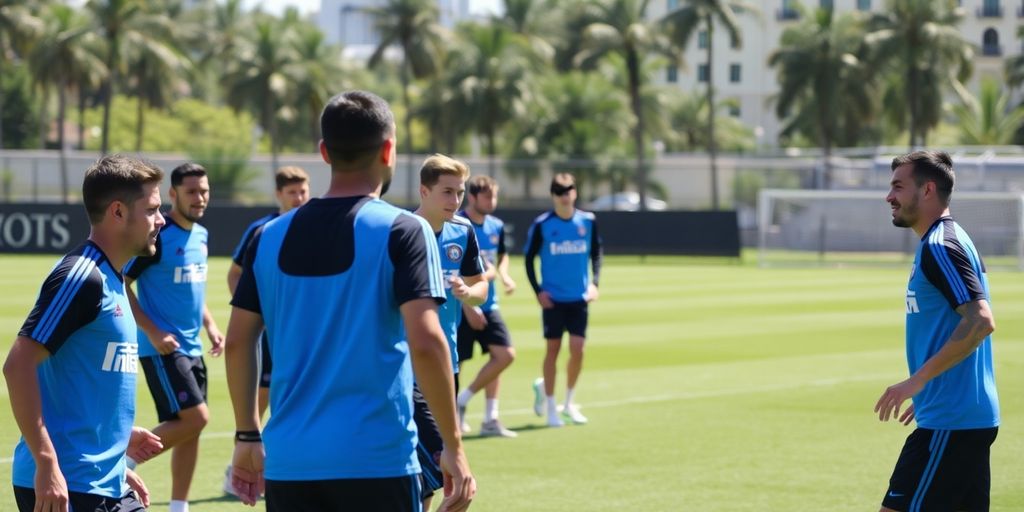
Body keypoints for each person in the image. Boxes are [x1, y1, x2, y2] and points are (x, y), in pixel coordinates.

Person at [224, 90, 475, 511]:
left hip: (289, 464)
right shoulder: (404, 229)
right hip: (376, 463)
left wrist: (247, 434)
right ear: (389, 149)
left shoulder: (268, 236)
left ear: (324, 152)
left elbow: (237, 342)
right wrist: (453, 446)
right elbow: (428, 344)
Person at [4, 155, 165, 512]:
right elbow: (18, 365)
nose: (161, 220)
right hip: (64, 486)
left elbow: (86, 378)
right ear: (118, 212)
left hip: (102, 480)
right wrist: (47, 463)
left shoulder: (113, 276)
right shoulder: (82, 277)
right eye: (152, 209)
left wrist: (116, 444)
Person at [875, 150, 999, 512]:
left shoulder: (940, 246)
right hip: (958, 418)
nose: (889, 197)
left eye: (898, 186)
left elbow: (980, 320)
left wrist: (918, 380)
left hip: (950, 423)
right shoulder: (950, 239)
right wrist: (931, 385)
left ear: (927, 190)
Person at [123, 163, 225, 512]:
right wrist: (153, 330)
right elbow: (122, 281)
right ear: (173, 194)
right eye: (192, 191)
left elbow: (194, 291)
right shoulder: (160, 237)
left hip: (192, 347)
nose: (200, 198)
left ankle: (178, 506)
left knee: (189, 429)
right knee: (196, 418)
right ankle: (123, 463)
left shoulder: (201, 235)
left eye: (204, 191)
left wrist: (210, 325)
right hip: (163, 348)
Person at [222, 166, 310, 497]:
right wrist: (251, 314)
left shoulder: (313, 228)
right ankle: (239, 464)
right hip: (266, 332)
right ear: (278, 195)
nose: (299, 198)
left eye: (303, 191)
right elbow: (236, 274)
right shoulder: (262, 230)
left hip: (294, 332)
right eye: (292, 192)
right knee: (259, 399)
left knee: (279, 396)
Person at [412, 154, 487, 508]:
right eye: (446, 192)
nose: (454, 201)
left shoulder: (463, 231)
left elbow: (481, 286)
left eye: (459, 192)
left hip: (447, 363)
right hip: (406, 366)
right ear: (424, 191)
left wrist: (468, 293)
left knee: (427, 475)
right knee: (444, 467)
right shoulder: (401, 232)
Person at [524, 173, 603, 428]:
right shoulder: (543, 224)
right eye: (559, 190)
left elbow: (596, 253)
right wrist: (538, 291)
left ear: (575, 192)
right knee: (553, 350)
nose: (564, 194)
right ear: (553, 195)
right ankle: (550, 406)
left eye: (568, 189)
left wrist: (594, 283)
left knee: (578, 349)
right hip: (553, 299)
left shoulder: (587, 221)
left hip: (578, 298)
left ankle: (569, 403)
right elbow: (528, 259)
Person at [455, 175, 519, 437]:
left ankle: (486, 416)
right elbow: (453, 270)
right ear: (472, 197)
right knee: (454, 365)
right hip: (461, 307)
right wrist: (468, 306)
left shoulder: (496, 225)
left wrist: (504, 275)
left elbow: (501, 257)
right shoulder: (458, 225)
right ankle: (452, 416)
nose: (492, 202)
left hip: (489, 304)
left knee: (504, 355)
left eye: (494, 196)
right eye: (487, 197)